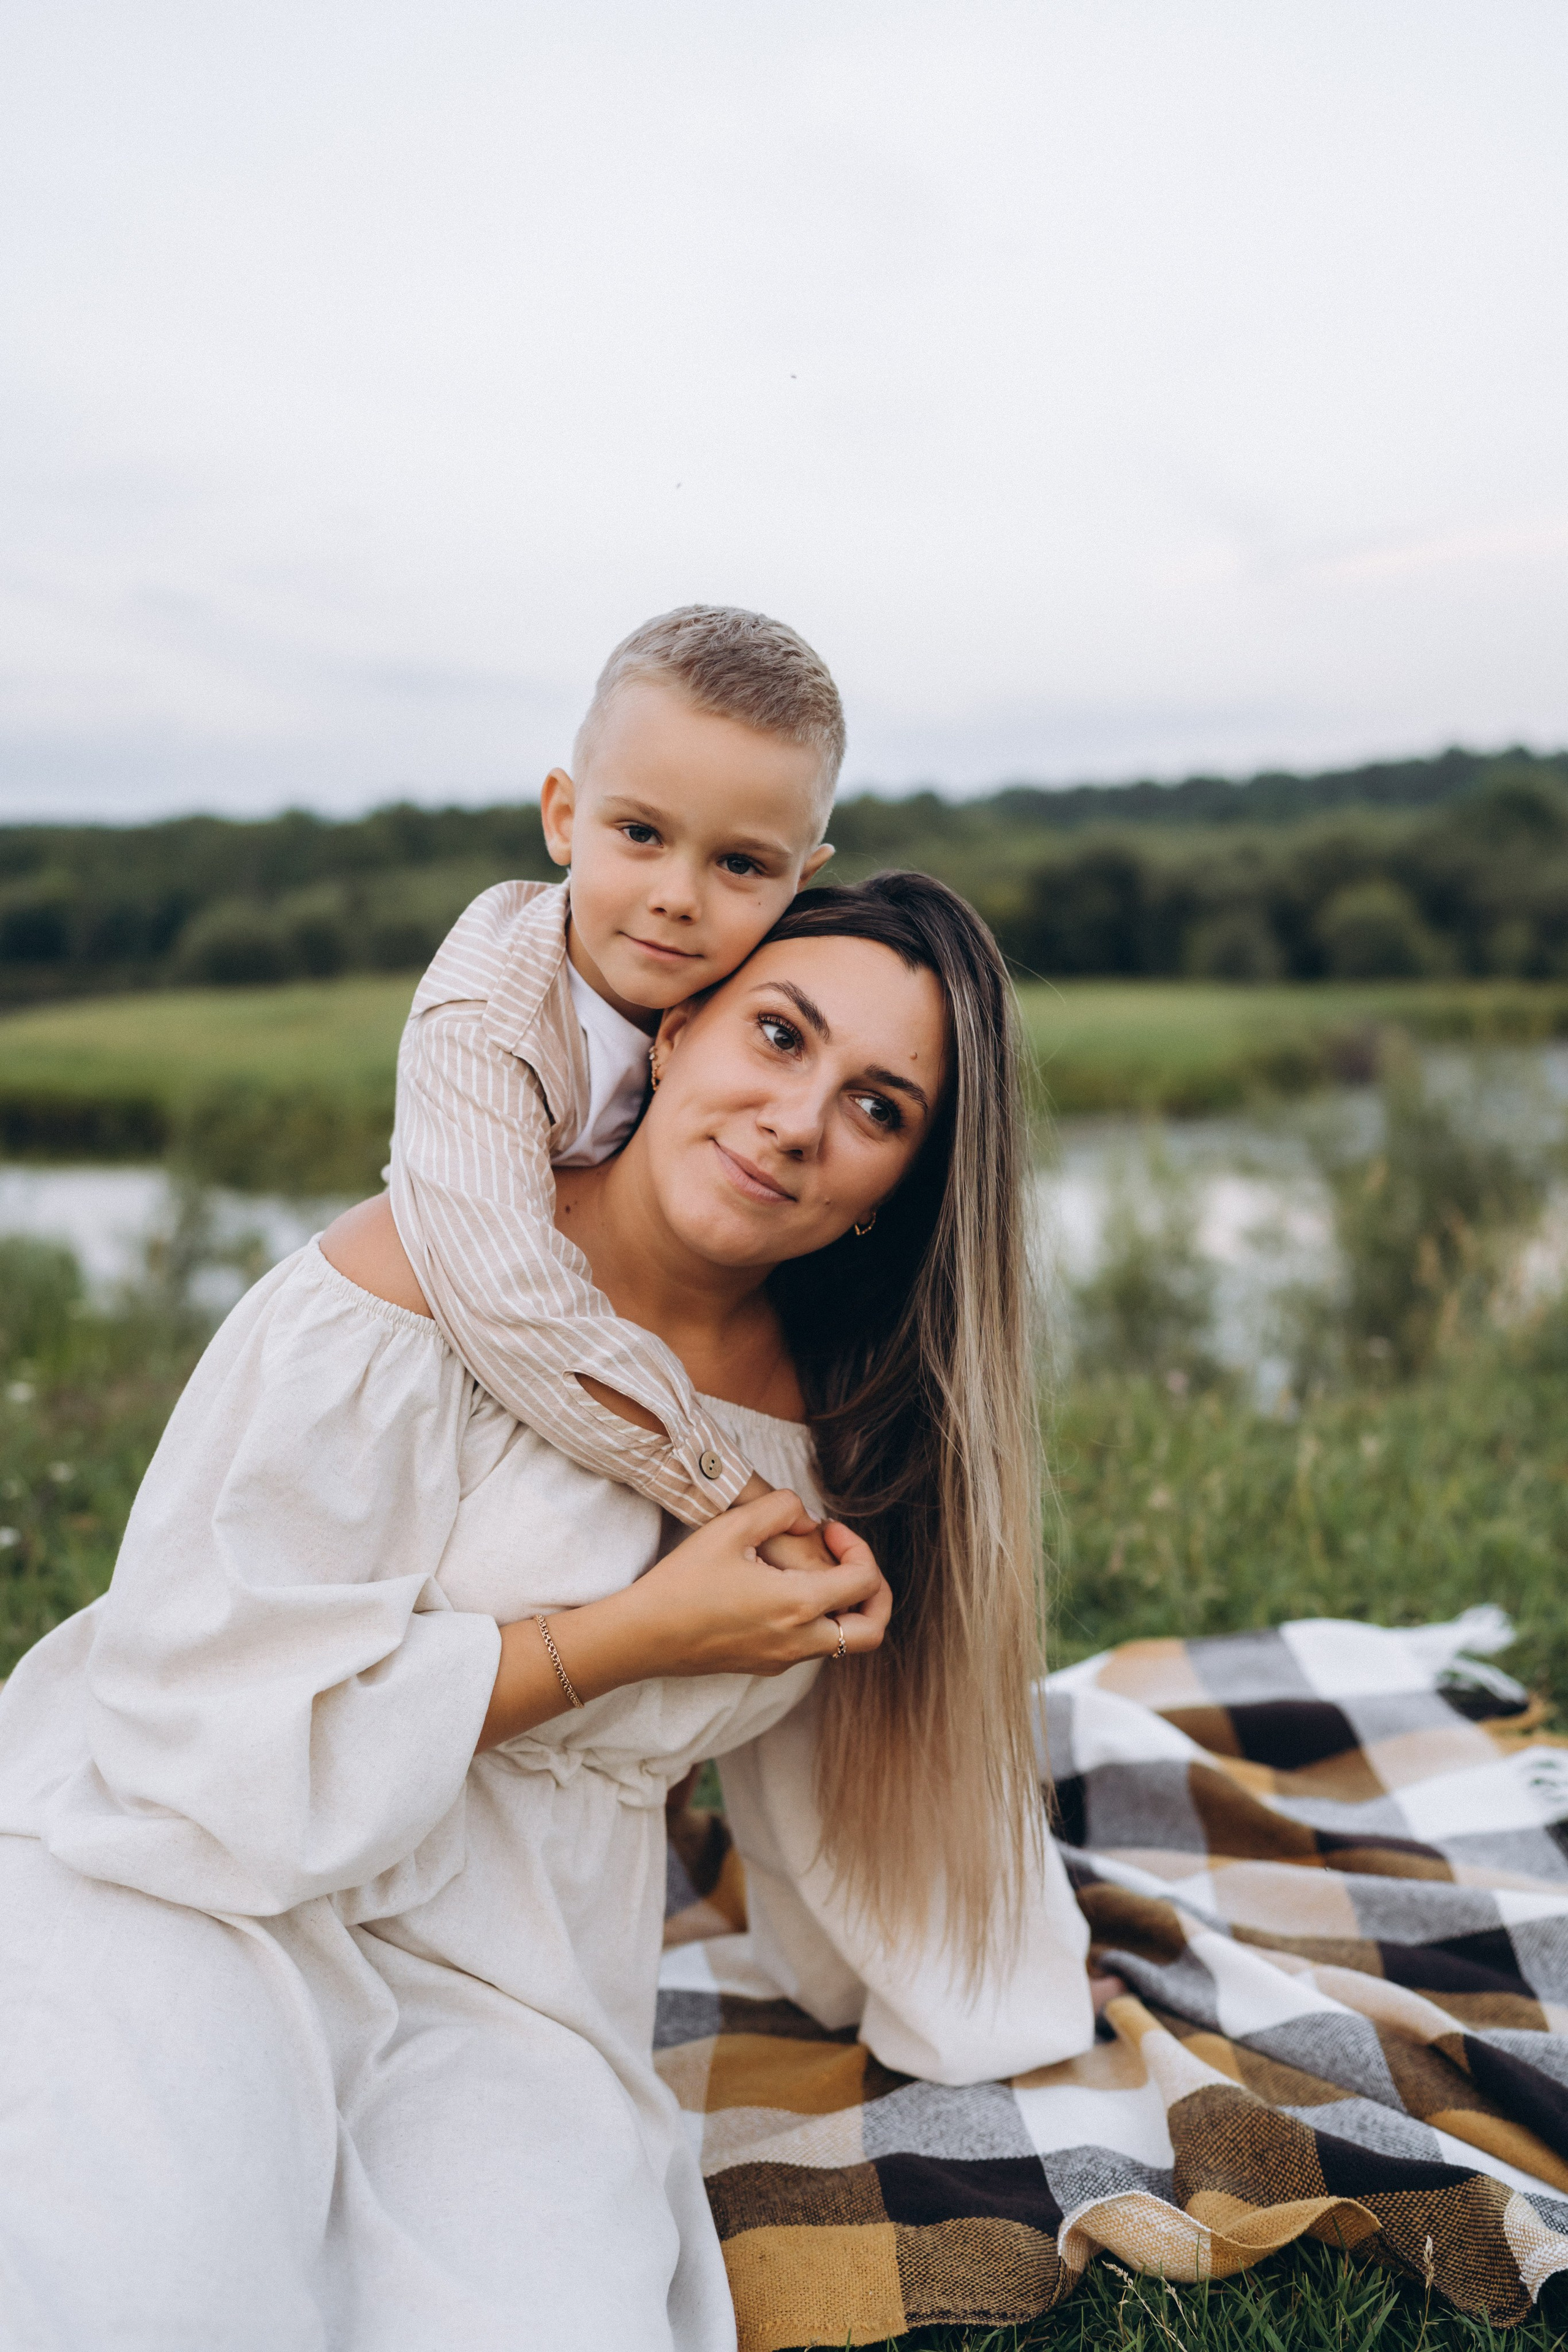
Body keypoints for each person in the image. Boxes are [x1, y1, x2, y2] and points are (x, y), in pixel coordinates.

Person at [0, 876, 1093, 2352]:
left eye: (876, 1107)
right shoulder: (411, 1280)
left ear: (900, 1186)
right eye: (778, 1035)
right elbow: (196, 1724)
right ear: (677, 1026)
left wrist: (974, 1996)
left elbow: (849, 1777)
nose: (796, 1120)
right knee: (152, 2295)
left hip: (527, 1979)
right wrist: (637, 1636)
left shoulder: (843, 1428)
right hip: (191, 1881)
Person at [390, 601, 845, 1533]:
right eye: (640, 834)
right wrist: (735, 1498)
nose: (678, 898)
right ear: (564, 818)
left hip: (632, 1372)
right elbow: (507, 1300)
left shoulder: (754, 998)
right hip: (457, 1378)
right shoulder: (488, 1021)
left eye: (741, 864)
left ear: (801, 882)